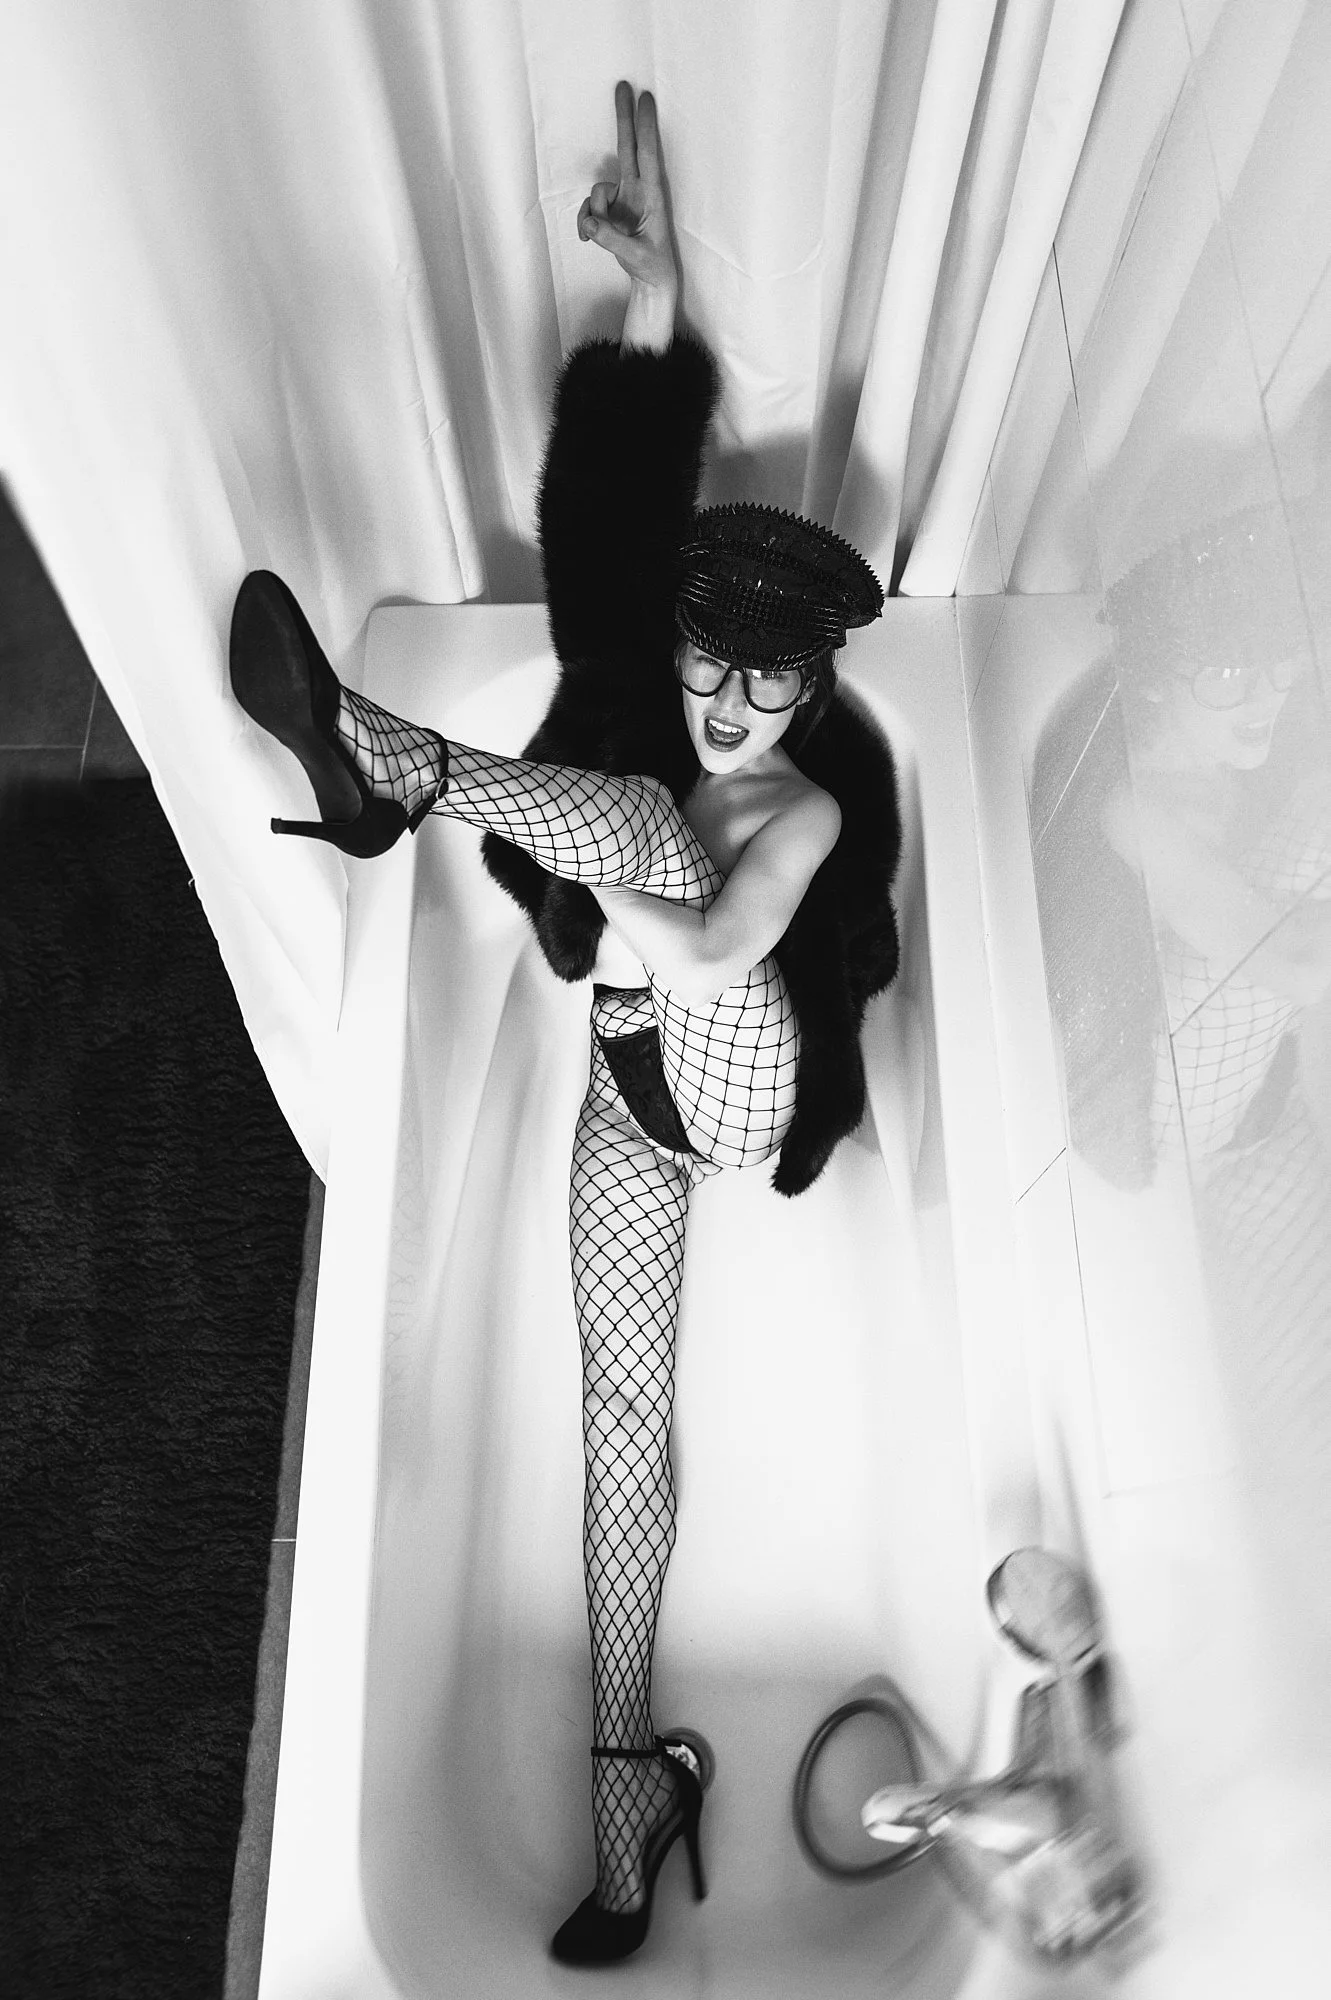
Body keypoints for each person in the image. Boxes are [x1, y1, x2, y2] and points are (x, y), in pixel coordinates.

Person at [229, 82, 900, 1966]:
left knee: (643, 840)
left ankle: (392, 765)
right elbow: (606, 503)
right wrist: (653, 295)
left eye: (766, 680)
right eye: (705, 659)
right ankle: (627, 1812)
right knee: (617, 1416)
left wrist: (600, 904)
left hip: (742, 1076)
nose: (725, 703)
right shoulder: (638, 680)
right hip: (627, 1092)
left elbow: (725, 940)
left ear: (812, 688)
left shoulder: (813, 802)